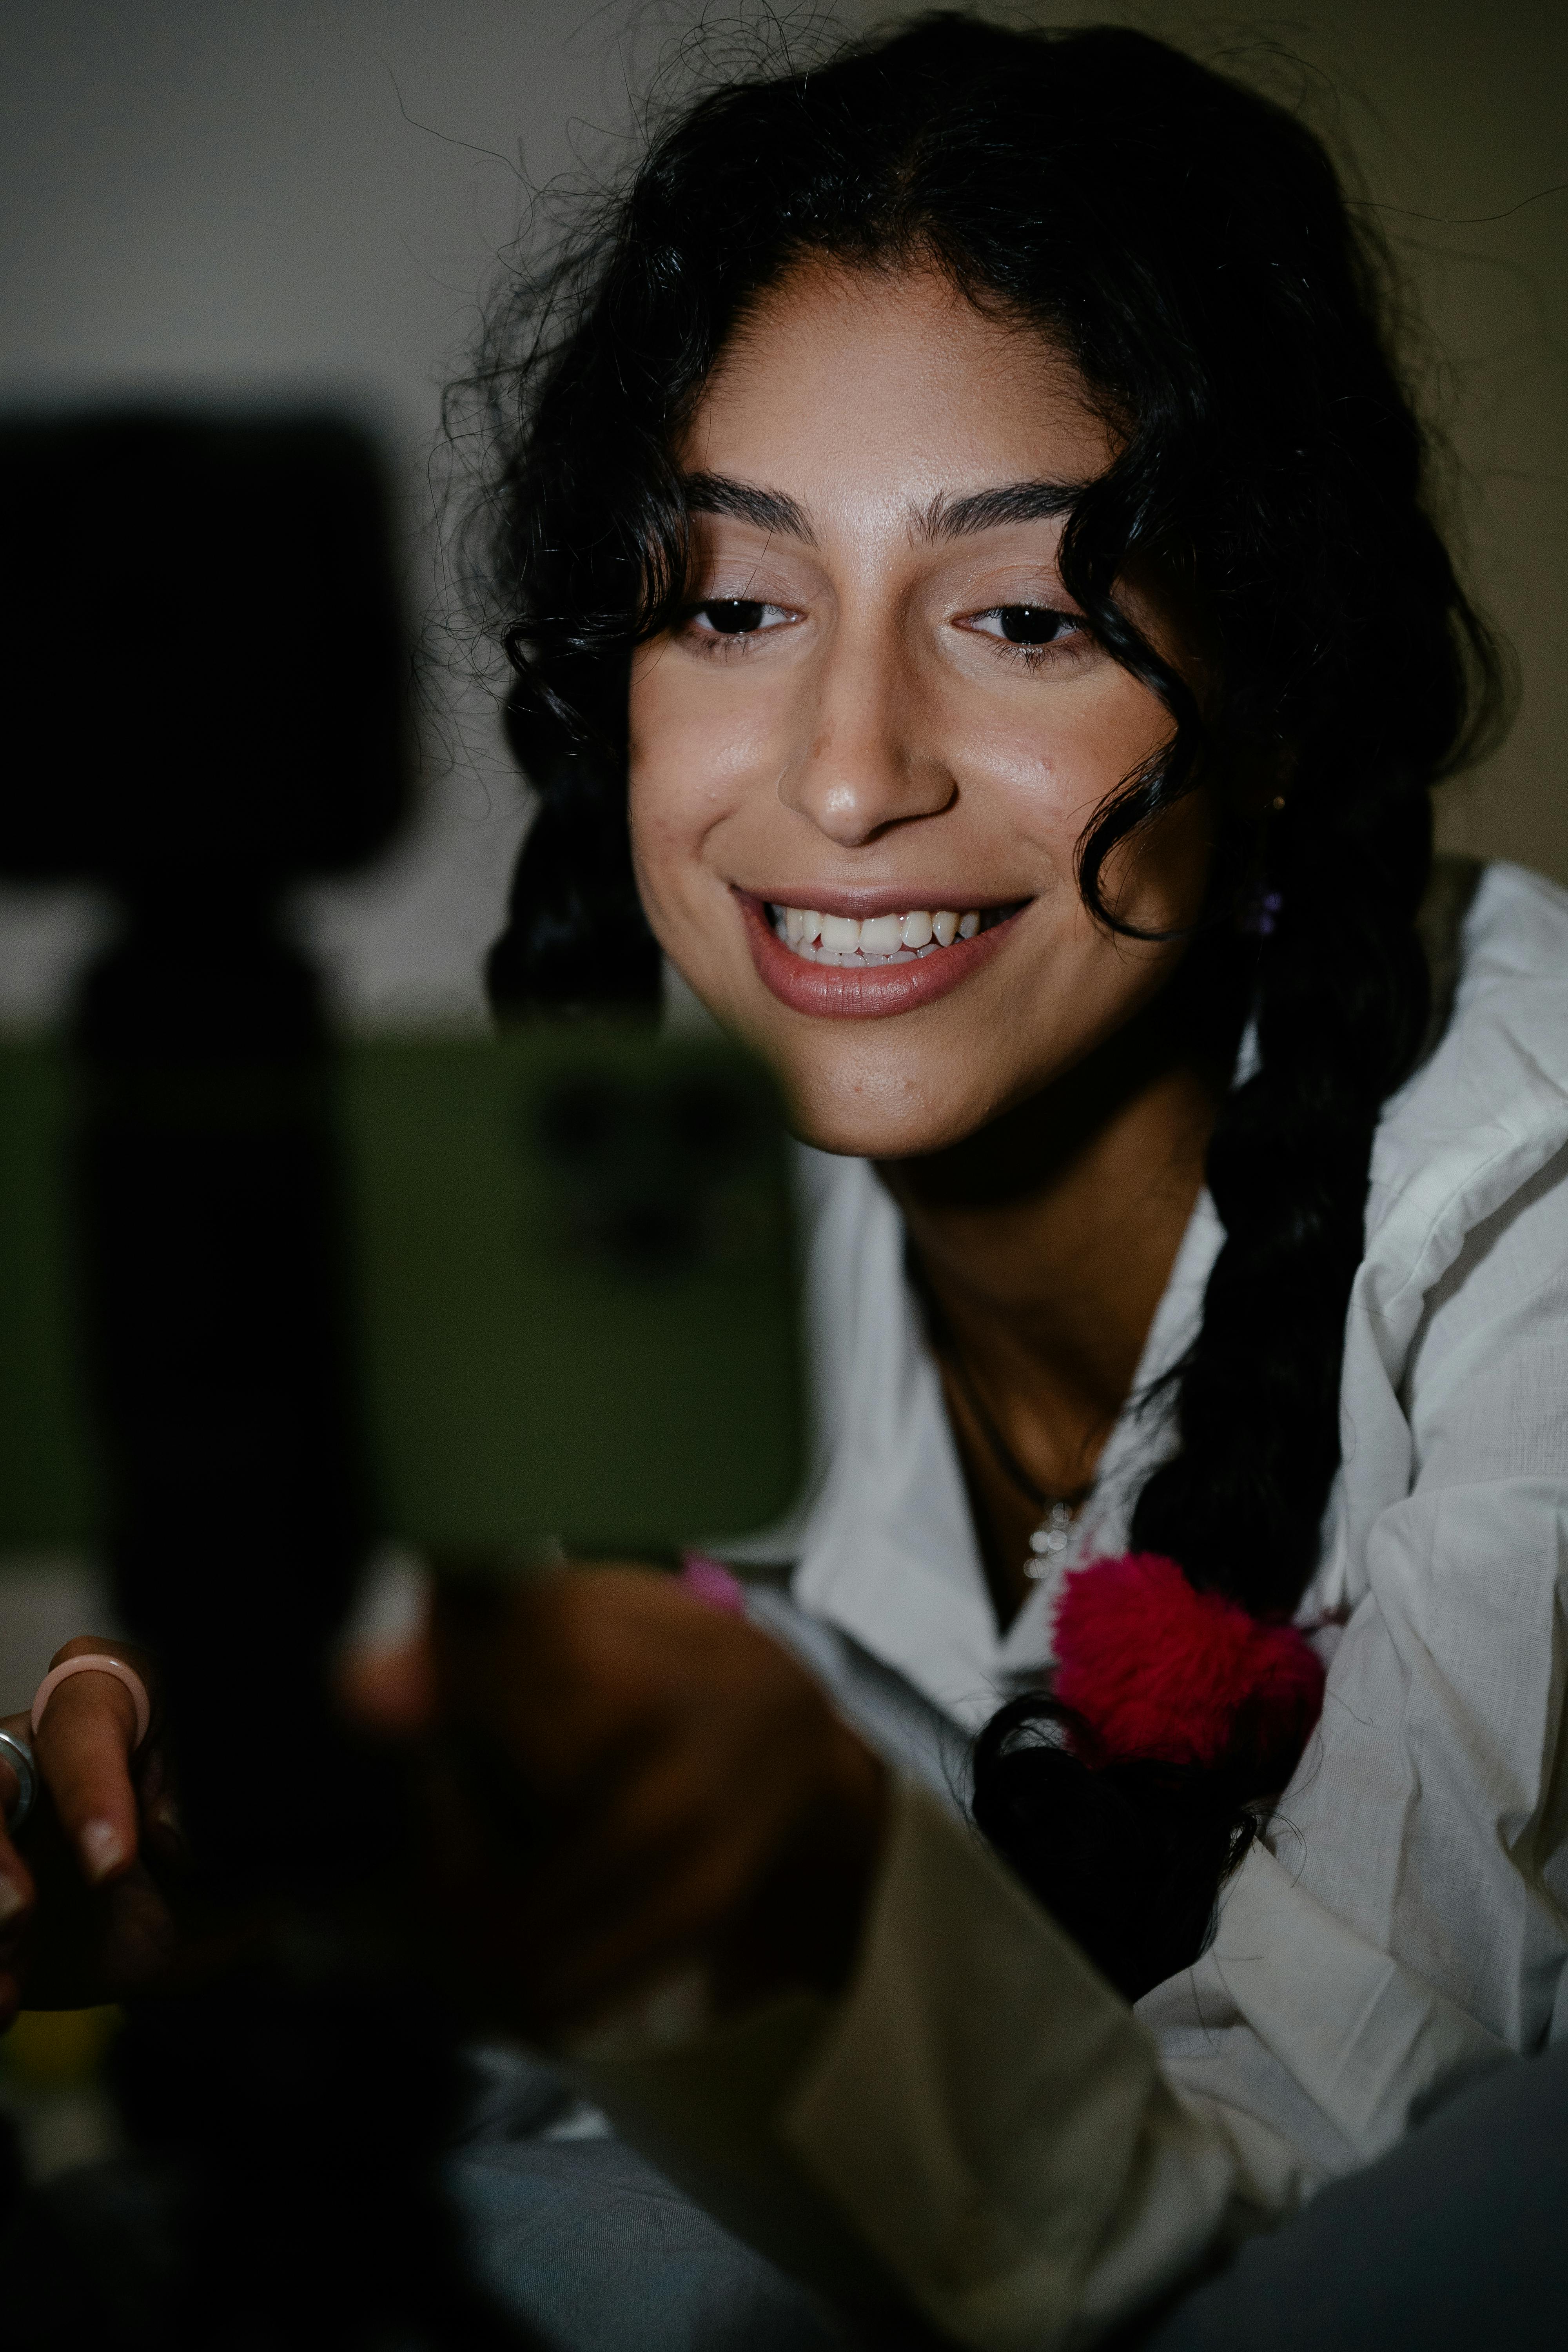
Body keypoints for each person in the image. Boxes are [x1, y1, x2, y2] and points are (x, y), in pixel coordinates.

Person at [5, 14, 1568, 2347]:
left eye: (1028, 615)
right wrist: (224, 1855)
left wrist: (808, 1891)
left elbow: (1293, 2237)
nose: (843, 779)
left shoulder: (1526, 1217)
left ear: (1285, 699)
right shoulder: (658, 1225)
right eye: (734, 607)